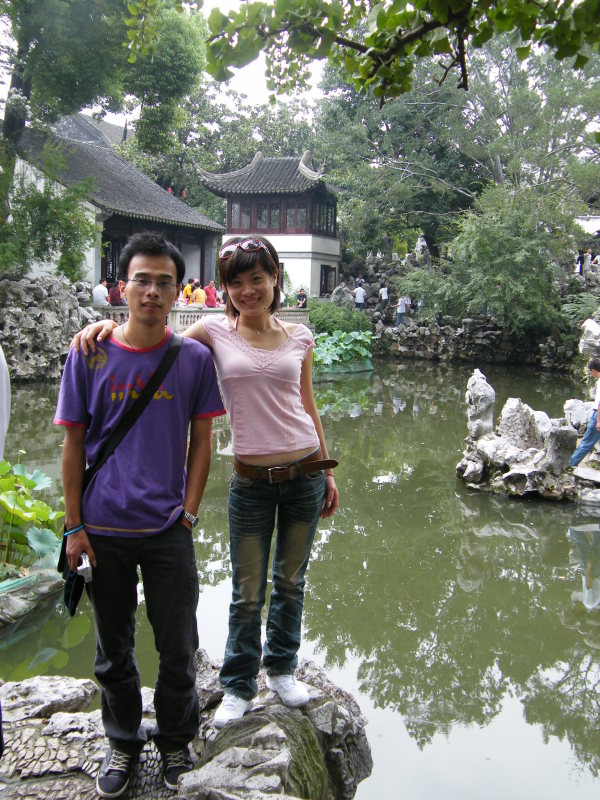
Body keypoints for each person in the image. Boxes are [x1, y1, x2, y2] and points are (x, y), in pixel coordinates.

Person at [73, 234, 339, 732]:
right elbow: (154, 341)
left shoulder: (300, 336)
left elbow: (308, 404)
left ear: (275, 279)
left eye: (256, 279)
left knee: (291, 581)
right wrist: (105, 327)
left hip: (304, 472)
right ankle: (238, 684)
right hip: (250, 481)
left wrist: (326, 469)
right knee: (247, 589)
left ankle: (282, 668)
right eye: (236, 283)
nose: (247, 290)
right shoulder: (214, 331)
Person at [58, 232, 225, 797]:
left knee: (178, 644)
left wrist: (189, 515)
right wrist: (74, 526)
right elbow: (72, 445)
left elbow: (203, 442)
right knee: (114, 650)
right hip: (102, 529)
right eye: (142, 280)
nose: (152, 291)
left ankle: (176, 740)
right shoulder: (90, 354)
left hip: (167, 529)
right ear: (122, 287)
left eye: (164, 282)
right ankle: (124, 743)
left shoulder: (192, 359)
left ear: (179, 291)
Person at [571, 358, 600, 467]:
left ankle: (571, 464)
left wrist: (598, 421)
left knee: (587, 442)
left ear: (593, 370)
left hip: (598, 415)